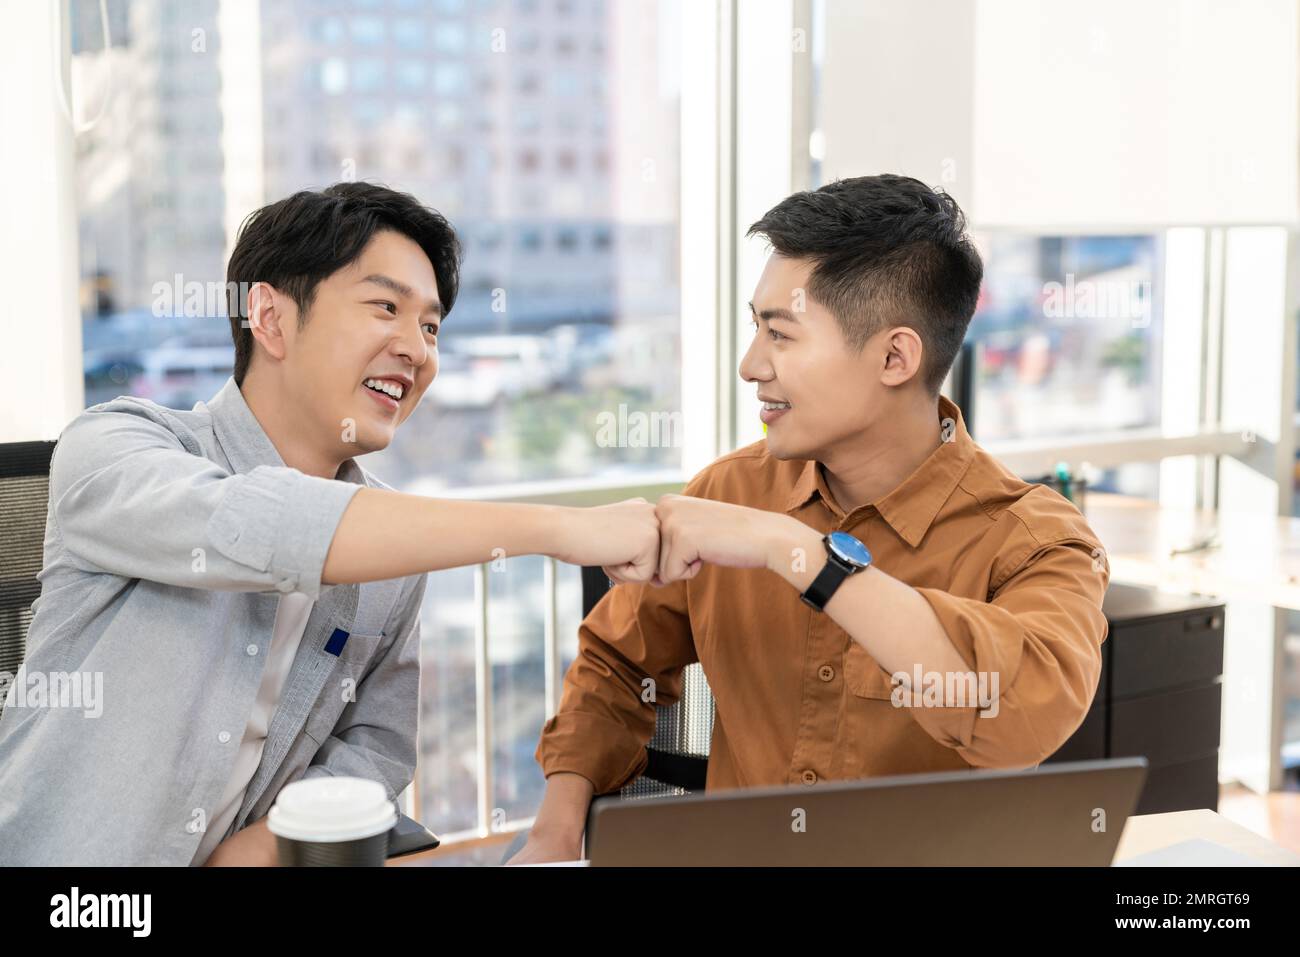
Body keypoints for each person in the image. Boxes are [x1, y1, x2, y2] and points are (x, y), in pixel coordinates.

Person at [0, 183, 658, 866]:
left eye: (430, 327)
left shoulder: (390, 550)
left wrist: (263, 845)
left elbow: (377, 744)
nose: (416, 349)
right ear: (271, 317)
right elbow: (261, 526)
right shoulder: (116, 448)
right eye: (385, 308)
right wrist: (559, 529)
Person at [511, 174, 1111, 864]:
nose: (749, 364)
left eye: (780, 334)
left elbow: (1014, 713)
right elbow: (615, 664)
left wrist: (794, 550)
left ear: (894, 356)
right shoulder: (731, 491)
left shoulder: (1037, 540)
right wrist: (553, 833)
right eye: (754, 327)